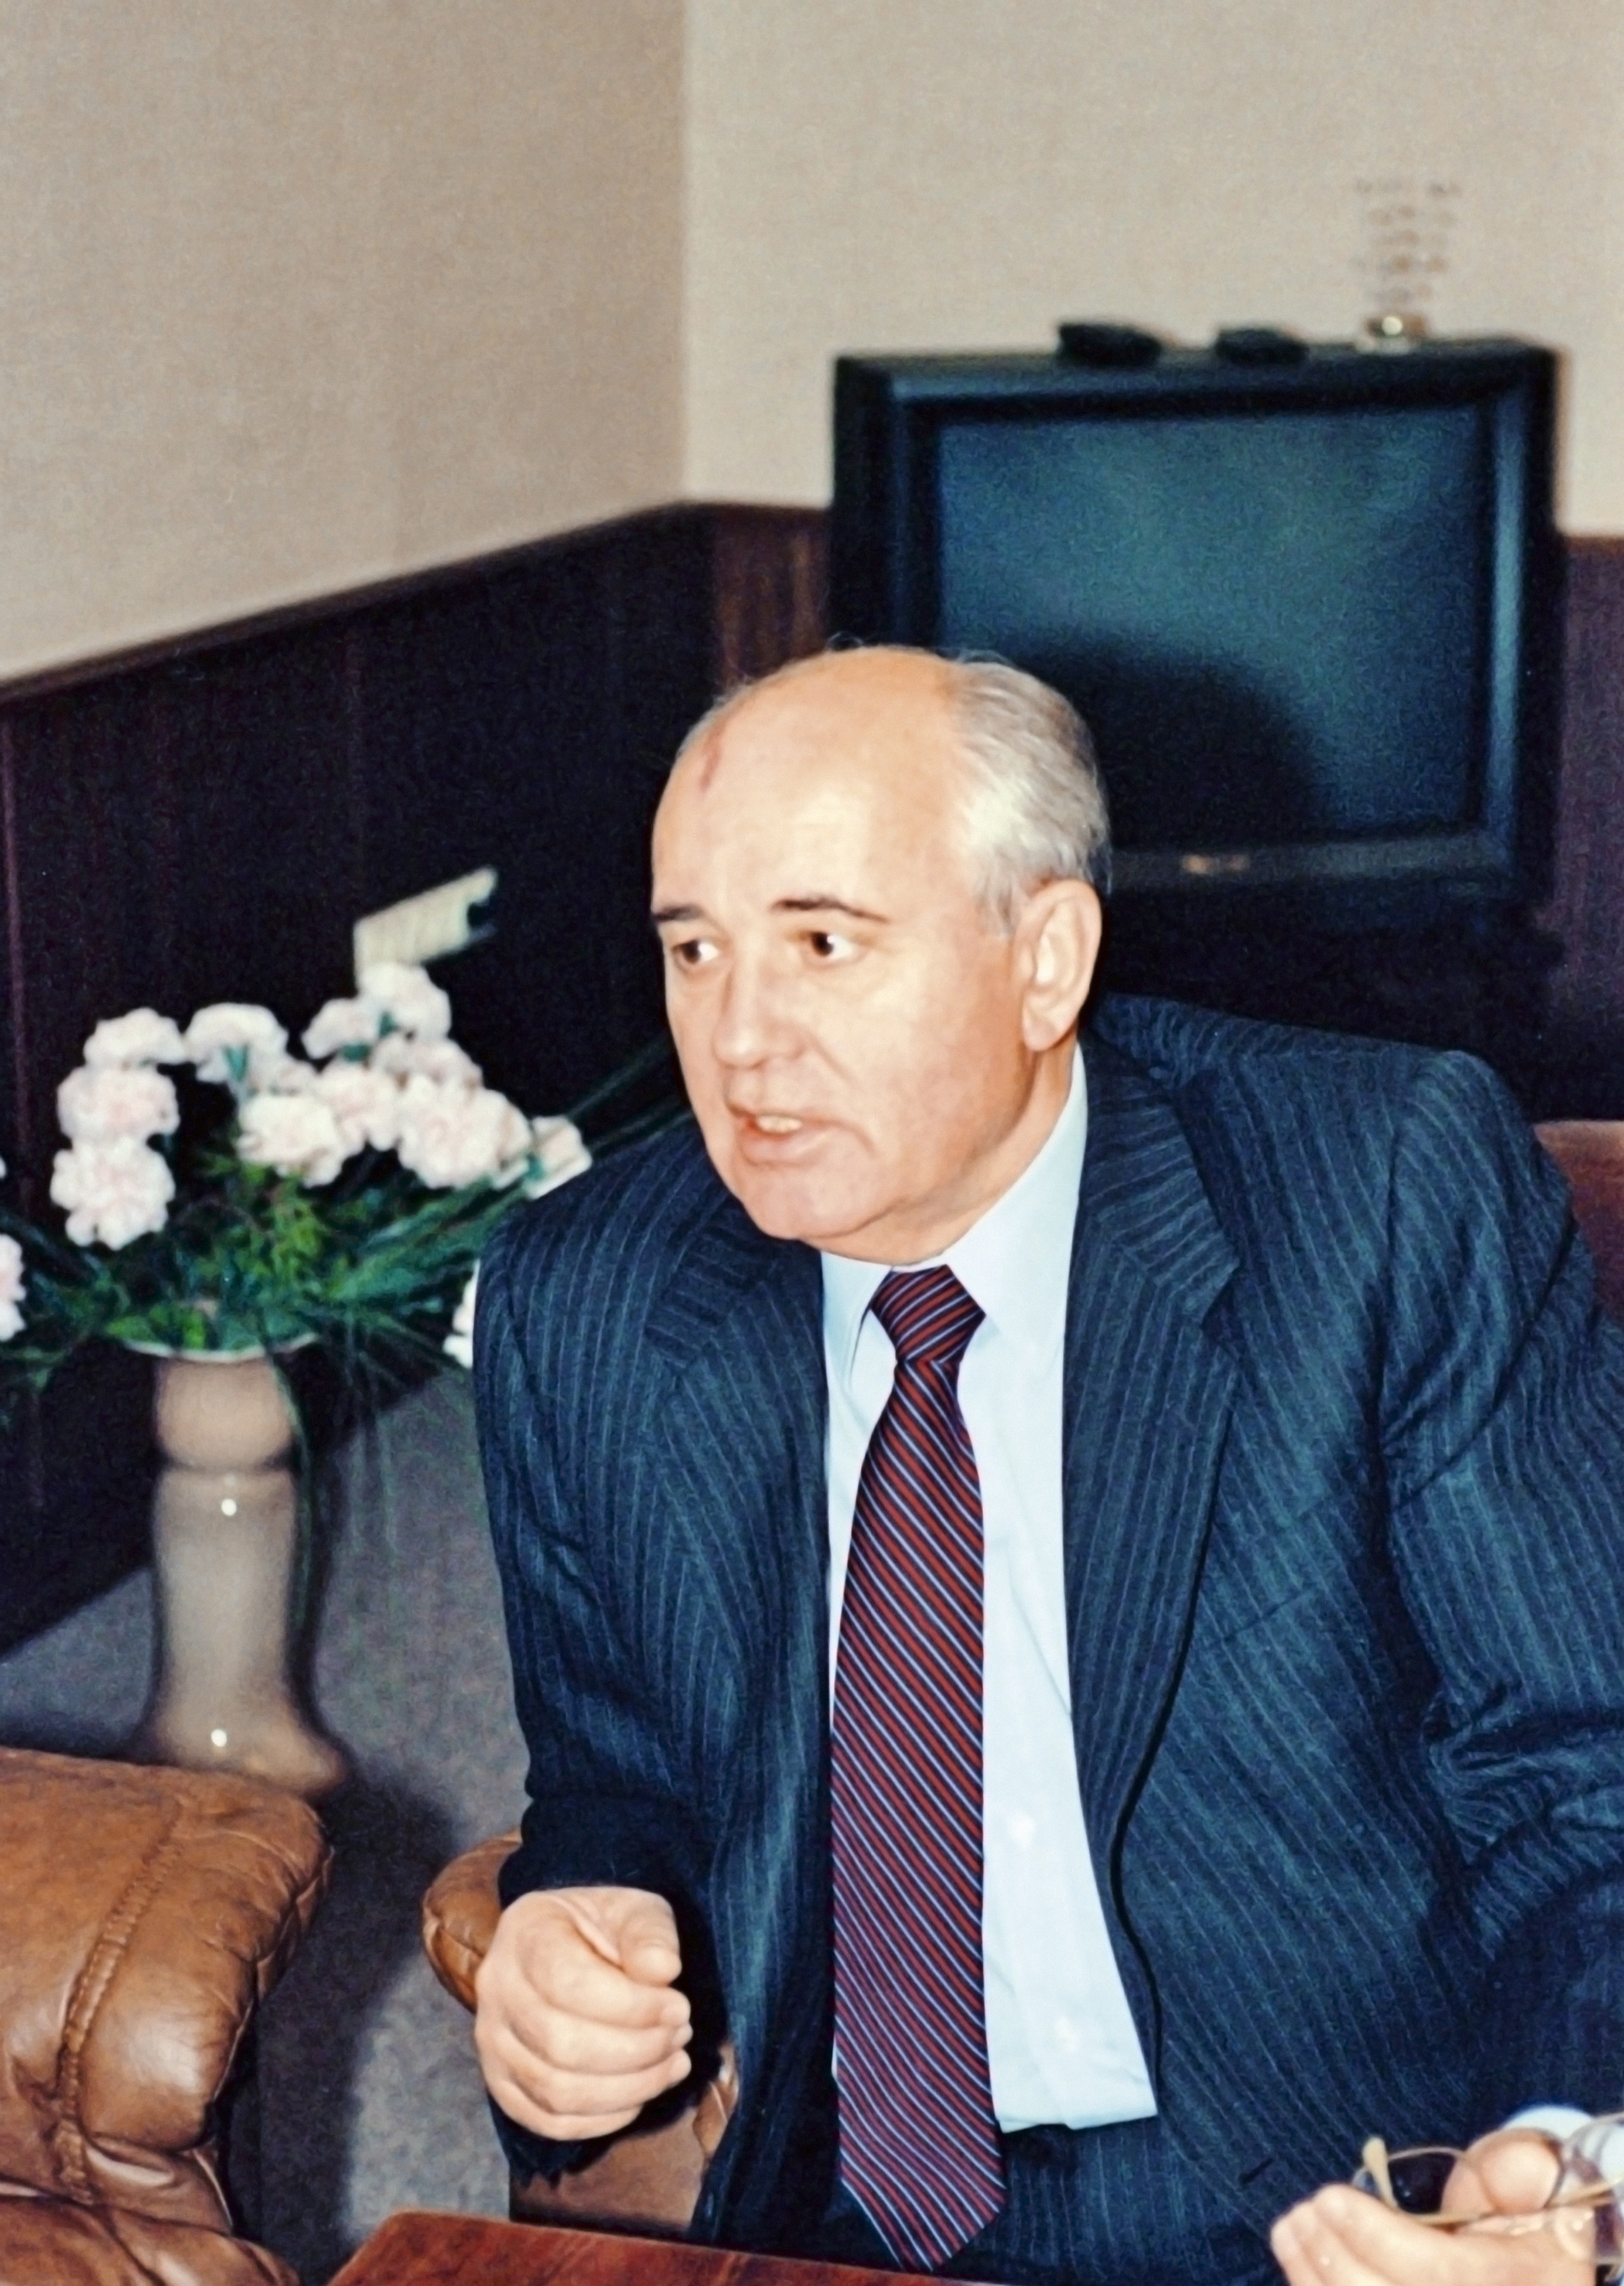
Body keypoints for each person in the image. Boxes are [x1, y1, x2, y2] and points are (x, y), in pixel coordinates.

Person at [472, 645, 1624, 2286]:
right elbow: (615, 1778)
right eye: (695, 948)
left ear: (1046, 958)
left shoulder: (1378, 1191)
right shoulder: (583, 1296)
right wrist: (572, 1918)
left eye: (822, 942)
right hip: (839, 2210)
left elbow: (1584, 1770)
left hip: (1346, 2208)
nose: (739, 1039)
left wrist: (1563, 2159)